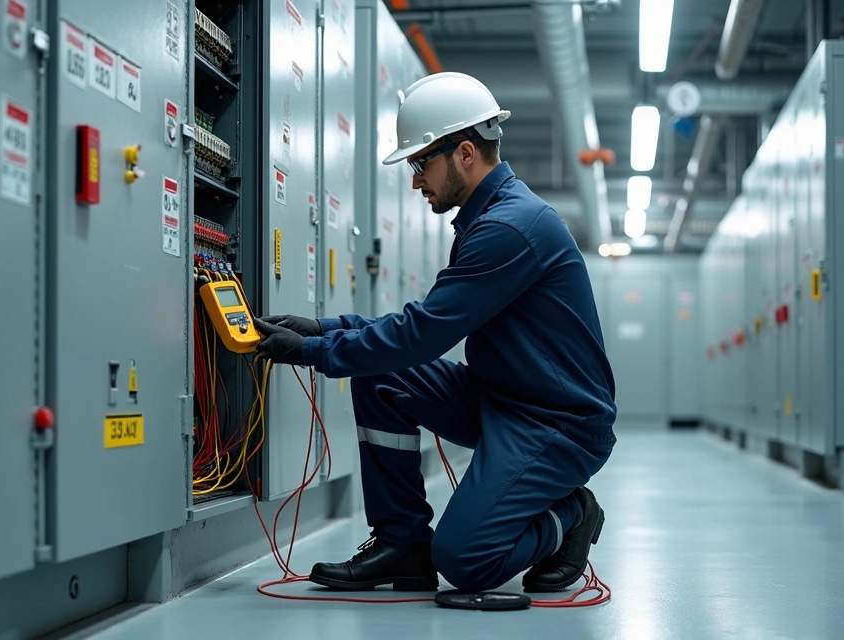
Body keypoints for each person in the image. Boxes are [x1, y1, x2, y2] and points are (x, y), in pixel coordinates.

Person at [253, 71, 617, 594]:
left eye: (422, 163)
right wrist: (324, 328)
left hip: (556, 424)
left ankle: (570, 515)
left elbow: (421, 334)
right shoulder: (486, 218)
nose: (416, 180)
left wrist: (311, 349)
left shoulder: (510, 229)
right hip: (503, 400)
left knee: (466, 560)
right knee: (381, 375)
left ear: (465, 153)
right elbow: (418, 327)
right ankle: (402, 542)